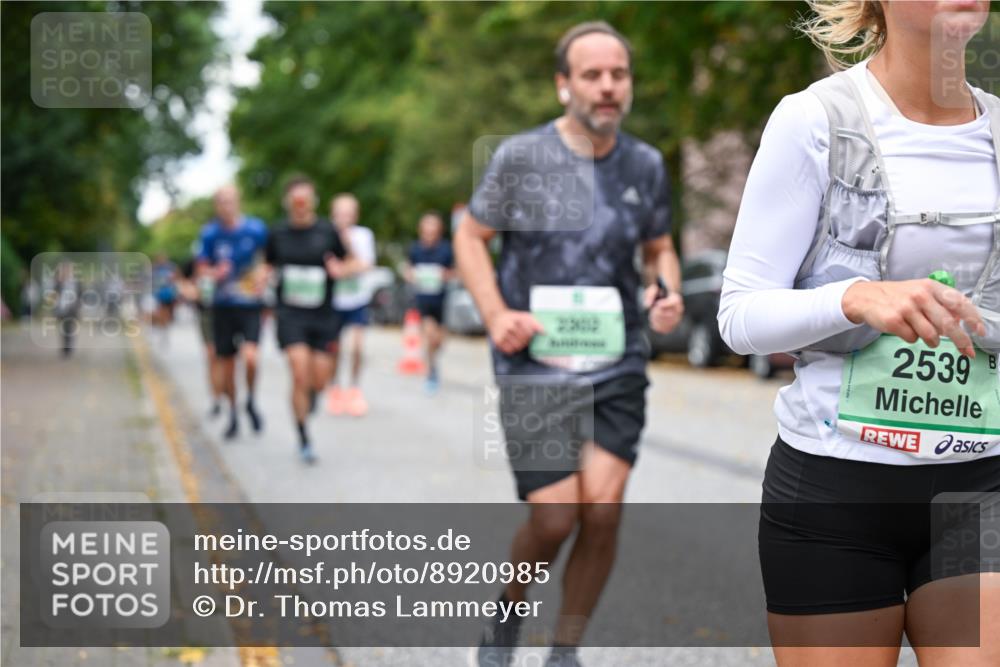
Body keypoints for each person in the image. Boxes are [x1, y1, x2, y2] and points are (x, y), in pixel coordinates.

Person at [717, 2, 999, 665]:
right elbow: (739, 316)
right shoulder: (813, 121)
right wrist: (854, 298)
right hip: (833, 493)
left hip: (980, 483)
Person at [454, 21, 683, 667]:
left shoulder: (646, 163)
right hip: (535, 363)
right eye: (592, 74)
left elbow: (658, 248)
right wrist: (497, 313)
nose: (608, 86)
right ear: (564, 86)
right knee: (555, 517)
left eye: (619, 74)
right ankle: (508, 613)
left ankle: (565, 649)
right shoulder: (521, 159)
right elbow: (470, 236)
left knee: (603, 509)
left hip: (617, 360)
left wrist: (663, 295)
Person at [264, 176, 350, 463]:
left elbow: (353, 260)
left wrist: (342, 268)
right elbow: (265, 263)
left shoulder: (327, 231)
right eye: (295, 202)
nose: (300, 207)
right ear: (288, 203)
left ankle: (312, 395)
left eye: (305, 201)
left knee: (320, 379)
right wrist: (260, 276)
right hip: (290, 314)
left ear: (313, 202)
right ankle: (302, 435)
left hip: (323, 315)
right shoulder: (277, 233)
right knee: (299, 371)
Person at [196, 185, 268, 439]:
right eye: (222, 202)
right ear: (217, 205)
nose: (227, 205)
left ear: (239, 201)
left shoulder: (256, 229)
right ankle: (233, 413)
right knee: (226, 365)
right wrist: (215, 274)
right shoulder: (210, 234)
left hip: (249, 306)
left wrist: (262, 276)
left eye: (231, 200)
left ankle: (250, 400)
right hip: (223, 307)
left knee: (250, 358)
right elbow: (201, 268)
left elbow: (268, 262)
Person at [327, 193, 377, 417]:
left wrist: (347, 250)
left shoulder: (363, 235)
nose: (344, 218)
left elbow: (365, 265)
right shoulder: (326, 234)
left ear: (355, 215)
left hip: (357, 300)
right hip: (334, 302)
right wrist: (347, 269)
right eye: (340, 213)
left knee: (357, 347)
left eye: (348, 214)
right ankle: (335, 388)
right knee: (334, 349)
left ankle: (354, 389)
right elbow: (329, 269)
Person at [405, 211, 454, 393]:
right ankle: (431, 372)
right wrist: (410, 275)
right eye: (426, 226)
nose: (429, 230)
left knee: (439, 341)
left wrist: (445, 275)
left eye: (433, 226)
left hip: (441, 301)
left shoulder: (446, 249)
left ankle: (433, 362)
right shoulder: (415, 249)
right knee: (430, 336)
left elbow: (455, 272)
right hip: (423, 300)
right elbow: (408, 268)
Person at [178, 256, 224, 418]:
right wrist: (193, 291)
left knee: (225, 358)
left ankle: (226, 390)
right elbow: (182, 282)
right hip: (206, 314)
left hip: (227, 313)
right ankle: (216, 398)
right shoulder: (195, 261)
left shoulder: (227, 257)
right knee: (212, 356)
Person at [150, 253, 179, 344]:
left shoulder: (171, 267)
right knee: (162, 311)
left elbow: (176, 277)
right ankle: (162, 326)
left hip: (169, 294)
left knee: (168, 312)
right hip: (160, 294)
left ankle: (165, 325)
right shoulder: (155, 268)